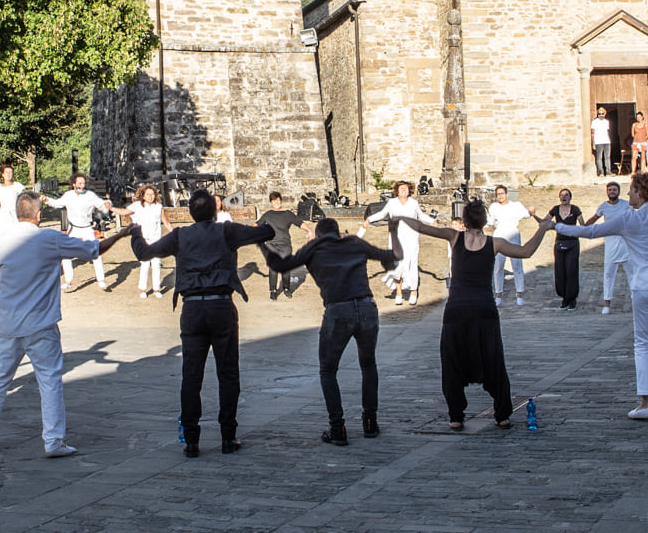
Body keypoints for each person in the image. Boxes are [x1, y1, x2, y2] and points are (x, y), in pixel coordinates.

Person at [0, 192, 129, 457]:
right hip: (41, 323)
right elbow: (93, 250)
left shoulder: (1, 242)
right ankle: (53, 440)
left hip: (9, 322)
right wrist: (120, 235)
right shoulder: (49, 239)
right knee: (50, 382)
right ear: (38, 214)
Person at [130, 189, 275, 457]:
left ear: (190, 213)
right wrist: (264, 223)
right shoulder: (226, 231)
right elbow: (266, 233)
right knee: (228, 373)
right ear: (214, 210)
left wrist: (135, 232)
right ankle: (228, 436)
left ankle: (192, 439)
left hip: (193, 308)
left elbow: (144, 252)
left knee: (191, 375)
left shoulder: (180, 236)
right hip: (221, 305)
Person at [552, 173, 648, 421]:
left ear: (642, 193)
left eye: (632, 190)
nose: (629, 194)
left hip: (646, 286)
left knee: (643, 343)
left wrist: (556, 226)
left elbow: (591, 232)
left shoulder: (629, 218)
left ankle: (645, 402)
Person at [401, 199, 551, 429]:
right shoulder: (494, 243)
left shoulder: (454, 237)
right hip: (484, 309)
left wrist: (398, 216)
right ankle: (502, 414)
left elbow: (421, 227)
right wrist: (542, 228)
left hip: (456, 310)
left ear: (465, 220)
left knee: (452, 362)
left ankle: (455, 417)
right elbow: (526, 252)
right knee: (493, 361)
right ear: (484, 220)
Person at [267, 217, 397, 444]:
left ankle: (338, 428)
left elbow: (281, 265)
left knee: (328, 370)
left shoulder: (313, 248)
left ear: (317, 234)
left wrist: (263, 243)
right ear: (338, 233)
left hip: (338, 310)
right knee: (368, 365)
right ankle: (370, 422)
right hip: (367, 306)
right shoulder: (354, 243)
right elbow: (388, 257)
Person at [42, 173, 114, 292]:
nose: (82, 185)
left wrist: (108, 203)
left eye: (84, 183)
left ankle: (101, 280)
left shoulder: (90, 195)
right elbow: (57, 203)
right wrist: (46, 199)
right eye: (79, 183)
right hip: (74, 229)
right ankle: (68, 281)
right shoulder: (68, 195)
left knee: (96, 253)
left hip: (87, 229)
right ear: (73, 184)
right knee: (65, 254)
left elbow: (103, 205)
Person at [363, 182, 428, 305]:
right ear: (397, 191)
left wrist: (433, 222)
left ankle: (413, 292)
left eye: (406, 189)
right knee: (397, 265)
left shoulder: (413, 203)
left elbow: (422, 215)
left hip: (412, 238)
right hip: (396, 238)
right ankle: (399, 292)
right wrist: (369, 219)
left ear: (409, 191)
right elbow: (382, 214)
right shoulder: (392, 203)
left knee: (412, 264)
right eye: (401, 189)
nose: (404, 190)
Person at [485, 186, 533, 307]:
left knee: (516, 265)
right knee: (498, 266)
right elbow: (490, 222)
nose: (500, 196)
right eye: (498, 194)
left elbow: (527, 214)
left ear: (506, 194)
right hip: (499, 235)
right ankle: (498, 294)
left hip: (513, 234)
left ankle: (519, 293)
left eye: (502, 193)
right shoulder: (494, 207)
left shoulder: (515, 205)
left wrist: (531, 211)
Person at [592, 182, 632, 314]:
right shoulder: (603, 206)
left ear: (619, 191)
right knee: (609, 273)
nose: (612, 192)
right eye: (610, 190)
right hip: (610, 244)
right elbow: (593, 219)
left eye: (614, 189)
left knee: (632, 274)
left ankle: (636, 300)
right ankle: (607, 303)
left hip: (625, 243)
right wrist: (581, 228)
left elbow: (636, 217)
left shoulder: (626, 205)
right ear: (607, 192)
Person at [548, 189, 589, 310]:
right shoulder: (555, 209)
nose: (564, 197)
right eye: (561, 195)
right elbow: (544, 222)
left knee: (571, 270)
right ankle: (564, 298)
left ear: (570, 197)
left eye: (566, 195)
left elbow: (583, 225)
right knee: (560, 271)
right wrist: (533, 214)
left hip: (572, 243)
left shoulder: (575, 209)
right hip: (559, 243)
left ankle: (572, 299)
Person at [128, 184, 168, 298]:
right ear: (143, 196)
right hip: (144, 240)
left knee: (156, 264)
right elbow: (124, 211)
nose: (150, 197)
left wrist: (175, 233)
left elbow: (165, 221)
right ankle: (142, 289)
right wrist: (110, 208)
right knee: (145, 264)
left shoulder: (158, 206)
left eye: (152, 194)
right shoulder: (137, 206)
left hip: (156, 240)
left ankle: (156, 289)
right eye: (148, 195)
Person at [591, 107, 613, 176]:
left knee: (607, 157)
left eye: (602, 113)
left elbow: (607, 131)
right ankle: (600, 172)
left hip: (606, 141)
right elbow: (592, 133)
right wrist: (593, 143)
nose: (601, 115)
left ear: (604, 114)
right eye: (599, 113)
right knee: (599, 157)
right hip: (598, 141)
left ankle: (608, 171)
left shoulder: (606, 122)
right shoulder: (594, 122)